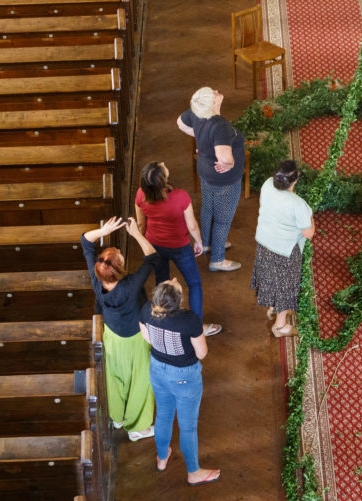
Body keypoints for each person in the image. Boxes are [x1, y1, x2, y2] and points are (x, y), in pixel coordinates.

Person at [82, 216, 160, 441]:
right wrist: (136, 233)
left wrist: (103, 230)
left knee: (115, 377)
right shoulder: (130, 285)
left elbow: (85, 242)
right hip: (135, 338)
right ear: (118, 269)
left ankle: (117, 417)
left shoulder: (97, 279)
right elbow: (152, 257)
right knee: (141, 381)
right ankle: (137, 427)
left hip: (112, 335)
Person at [138, 278, 221, 486]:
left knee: (163, 415)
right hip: (184, 376)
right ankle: (193, 471)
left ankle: (162, 458)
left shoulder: (147, 310)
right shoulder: (189, 320)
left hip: (157, 369)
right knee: (188, 427)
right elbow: (202, 353)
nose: (174, 279)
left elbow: (147, 338)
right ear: (178, 300)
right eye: (174, 283)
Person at [134, 160, 221, 337]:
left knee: (162, 283)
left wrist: (147, 247)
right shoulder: (181, 196)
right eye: (161, 165)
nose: (164, 163)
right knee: (194, 284)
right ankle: (197, 327)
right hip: (179, 246)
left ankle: (163, 322)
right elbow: (193, 226)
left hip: (155, 245)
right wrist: (199, 243)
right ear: (163, 179)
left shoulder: (140, 194)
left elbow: (141, 224)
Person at [176, 86, 245, 272]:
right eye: (213, 93)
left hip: (205, 171)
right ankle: (217, 259)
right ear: (211, 103)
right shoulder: (220, 126)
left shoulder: (197, 112)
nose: (216, 91)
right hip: (225, 180)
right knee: (223, 219)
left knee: (208, 208)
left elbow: (180, 123)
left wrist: (203, 139)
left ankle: (206, 243)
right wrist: (230, 164)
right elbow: (224, 158)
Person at [251, 160, 315, 338]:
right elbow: (309, 233)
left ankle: (272, 307)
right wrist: (311, 218)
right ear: (295, 180)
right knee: (285, 287)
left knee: (270, 277)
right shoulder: (297, 203)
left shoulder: (266, 185)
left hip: (264, 242)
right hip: (285, 250)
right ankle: (280, 326)